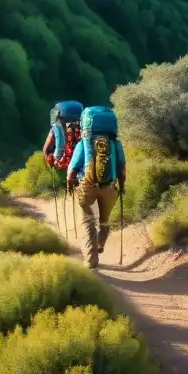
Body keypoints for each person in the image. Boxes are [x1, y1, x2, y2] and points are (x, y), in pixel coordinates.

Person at [67, 106, 126, 269]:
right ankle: (100, 243)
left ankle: (91, 260)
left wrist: (70, 184)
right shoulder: (115, 144)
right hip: (110, 186)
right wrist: (122, 185)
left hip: (87, 185)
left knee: (88, 221)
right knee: (104, 220)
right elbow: (122, 168)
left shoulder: (83, 143)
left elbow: (72, 170)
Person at [43, 101, 83, 170]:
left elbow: (45, 148)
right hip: (78, 166)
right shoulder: (81, 129)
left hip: (60, 164)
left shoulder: (56, 128)